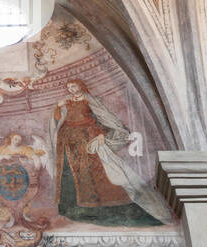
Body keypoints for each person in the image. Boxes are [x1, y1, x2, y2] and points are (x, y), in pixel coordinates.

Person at [47, 79, 169, 225]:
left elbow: (102, 119)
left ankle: (96, 208)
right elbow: (57, 119)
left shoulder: (90, 100)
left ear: (80, 85)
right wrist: (57, 108)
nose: (71, 89)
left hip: (87, 140)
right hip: (66, 142)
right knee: (69, 172)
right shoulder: (66, 102)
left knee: (92, 172)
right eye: (68, 87)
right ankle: (71, 208)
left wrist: (101, 134)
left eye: (73, 86)